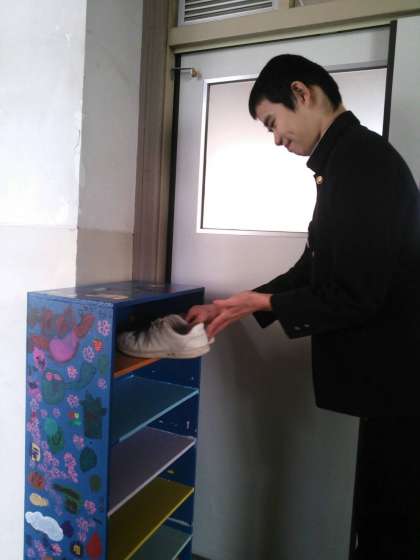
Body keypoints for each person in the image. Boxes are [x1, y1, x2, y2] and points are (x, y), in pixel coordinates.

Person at [185, 54, 420, 559]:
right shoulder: (341, 164)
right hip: (391, 384)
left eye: (273, 122)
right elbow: (313, 267)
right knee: (376, 513)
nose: (276, 139)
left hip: (400, 383)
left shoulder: (362, 163)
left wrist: (265, 301)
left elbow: (356, 293)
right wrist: (240, 304)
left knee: (388, 525)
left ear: (302, 93)